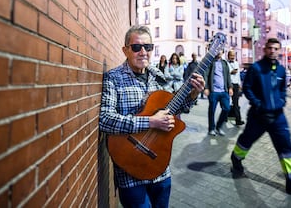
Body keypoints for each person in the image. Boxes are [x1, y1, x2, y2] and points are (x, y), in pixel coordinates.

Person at [99, 25, 205, 208]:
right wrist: (150, 121)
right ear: (125, 50)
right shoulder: (113, 78)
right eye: (136, 47)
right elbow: (106, 120)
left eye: (147, 47)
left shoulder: (159, 77)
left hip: (160, 165)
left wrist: (193, 95)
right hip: (130, 169)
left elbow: (176, 109)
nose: (143, 52)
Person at [230, 38, 291, 198]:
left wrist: (282, 100)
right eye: (270, 48)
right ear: (265, 49)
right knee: (246, 141)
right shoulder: (256, 68)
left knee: (287, 149)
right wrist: (258, 104)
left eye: (276, 48)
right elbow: (247, 88)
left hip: (278, 117)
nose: (273, 51)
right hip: (258, 116)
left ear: (280, 50)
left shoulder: (282, 70)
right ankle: (236, 159)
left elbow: (282, 90)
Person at [203, 49, 233, 136]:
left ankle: (218, 127)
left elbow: (228, 76)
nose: (218, 52)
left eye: (220, 51)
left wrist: (230, 87)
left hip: (224, 91)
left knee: (227, 109)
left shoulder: (224, 63)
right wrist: (206, 88)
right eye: (217, 50)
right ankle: (211, 129)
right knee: (212, 110)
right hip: (214, 91)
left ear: (223, 52)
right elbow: (206, 75)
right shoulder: (211, 62)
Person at [227, 50, 244, 125]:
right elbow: (228, 73)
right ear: (228, 56)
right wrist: (232, 71)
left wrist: (240, 84)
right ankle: (224, 118)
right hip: (229, 84)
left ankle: (238, 120)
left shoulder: (237, 63)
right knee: (226, 102)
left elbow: (238, 75)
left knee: (236, 103)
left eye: (234, 55)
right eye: (231, 55)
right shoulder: (226, 63)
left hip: (236, 85)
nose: (233, 57)